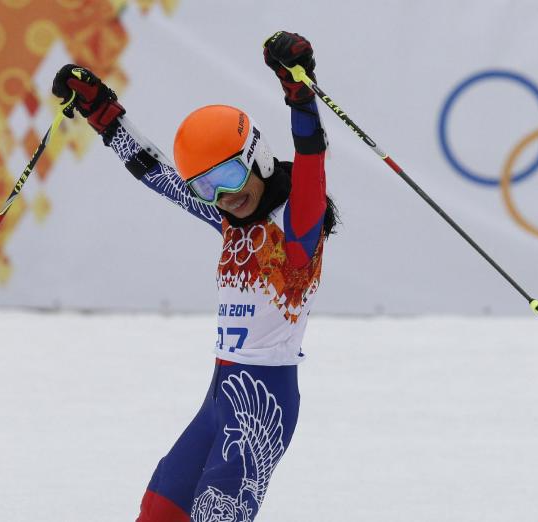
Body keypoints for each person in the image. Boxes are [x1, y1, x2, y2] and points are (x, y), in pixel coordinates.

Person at [51, 31, 336, 522]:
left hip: (259, 407)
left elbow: (311, 161)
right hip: (217, 399)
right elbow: (157, 173)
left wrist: (299, 96)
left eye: (228, 175)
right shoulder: (229, 220)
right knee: (158, 509)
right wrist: (105, 116)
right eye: (206, 187)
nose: (224, 195)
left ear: (256, 156)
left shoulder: (297, 232)